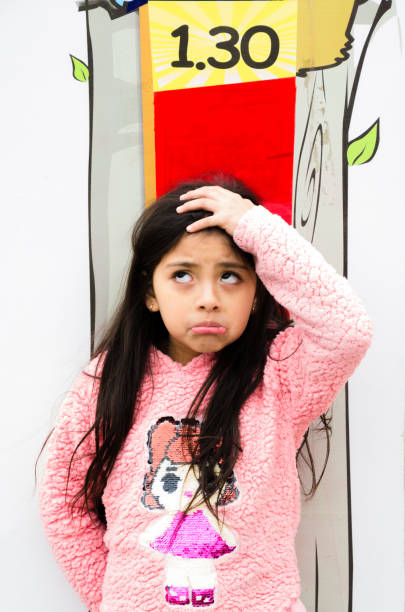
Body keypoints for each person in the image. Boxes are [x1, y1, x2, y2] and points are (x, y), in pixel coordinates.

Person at [37, 174, 373, 611]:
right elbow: (65, 505)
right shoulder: (108, 381)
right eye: (182, 275)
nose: (209, 298)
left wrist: (255, 227)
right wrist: (112, 599)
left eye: (231, 276)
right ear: (149, 291)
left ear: (257, 293)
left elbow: (346, 331)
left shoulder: (279, 374)